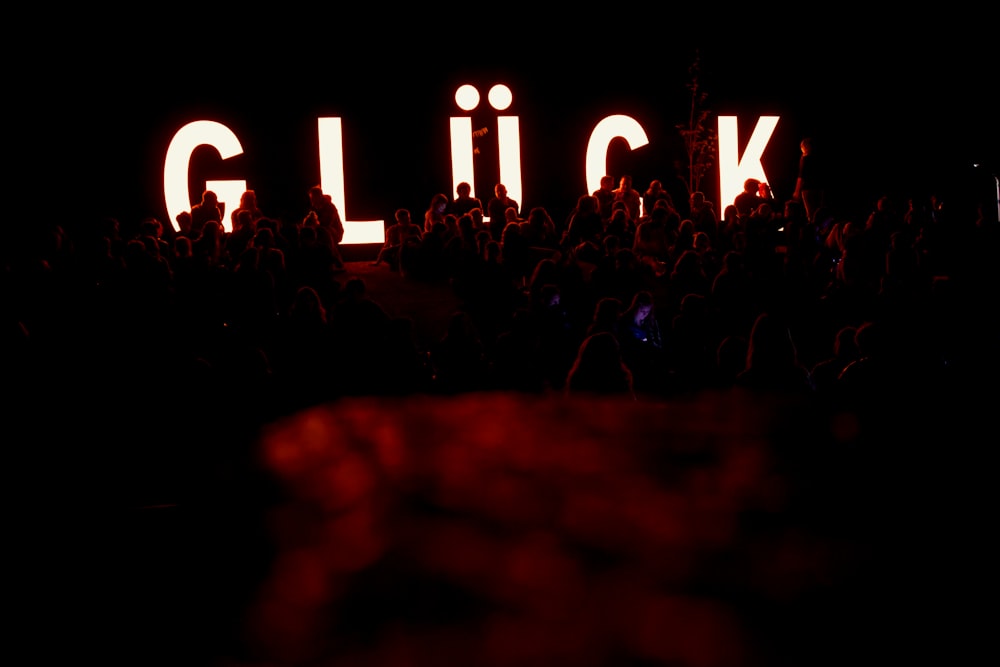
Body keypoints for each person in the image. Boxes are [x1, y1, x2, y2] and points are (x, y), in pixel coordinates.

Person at [305, 185, 345, 269]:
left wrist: (315, 224)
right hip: (321, 230)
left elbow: (328, 222)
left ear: (319, 196)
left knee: (325, 233)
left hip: (334, 231)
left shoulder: (330, 207)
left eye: (313, 197)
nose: (311, 200)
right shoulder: (313, 208)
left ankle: (334, 261)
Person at [791, 137, 826, 224]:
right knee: (819, 212)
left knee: (810, 213)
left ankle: (812, 232)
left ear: (805, 147)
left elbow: (801, 176)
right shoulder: (819, 157)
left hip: (807, 188)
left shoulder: (804, 158)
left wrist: (796, 191)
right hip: (819, 187)